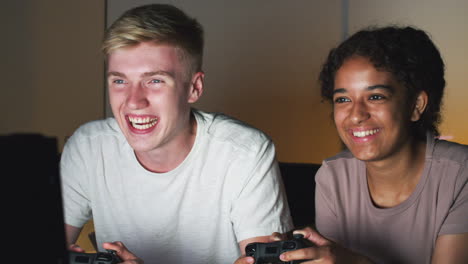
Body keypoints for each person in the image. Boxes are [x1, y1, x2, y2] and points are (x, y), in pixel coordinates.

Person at [60, 4, 293, 264]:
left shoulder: (246, 152)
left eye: (155, 81)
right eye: (119, 81)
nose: (133, 101)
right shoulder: (88, 147)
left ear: (194, 88)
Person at [237, 26, 468, 264]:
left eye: (375, 96)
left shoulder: (461, 175)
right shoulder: (333, 175)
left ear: (416, 105)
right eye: (343, 99)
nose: (356, 115)